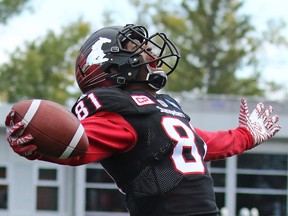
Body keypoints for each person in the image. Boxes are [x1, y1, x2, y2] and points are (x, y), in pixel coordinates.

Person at [5, 24, 281, 216]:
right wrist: (40, 143)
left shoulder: (162, 108)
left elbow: (201, 144)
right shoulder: (117, 111)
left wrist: (246, 135)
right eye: (137, 48)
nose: (150, 52)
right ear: (113, 67)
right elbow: (80, 144)